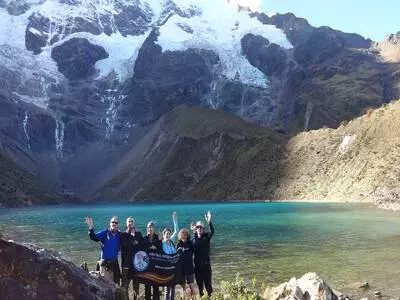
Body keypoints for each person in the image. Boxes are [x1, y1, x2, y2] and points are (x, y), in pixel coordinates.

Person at [85, 215, 121, 284]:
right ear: (110, 223)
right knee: (105, 284)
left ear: (118, 225)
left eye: (116, 223)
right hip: (105, 264)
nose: (114, 224)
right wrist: (90, 228)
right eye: (112, 222)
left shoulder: (119, 235)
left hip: (114, 264)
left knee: (116, 284)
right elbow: (94, 237)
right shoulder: (105, 233)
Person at [192, 211, 214, 297]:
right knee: (200, 287)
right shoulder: (193, 240)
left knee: (208, 287)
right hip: (197, 267)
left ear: (203, 229)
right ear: (196, 229)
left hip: (206, 266)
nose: (199, 229)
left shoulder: (206, 237)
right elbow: (186, 246)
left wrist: (209, 221)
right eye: (198, 227)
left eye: (201, 227)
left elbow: (212, 231)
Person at [121, 217, 143, 300]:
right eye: (129, 222)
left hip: (136, 265)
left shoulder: (139, 234)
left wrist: (136, 242)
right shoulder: (123, 235)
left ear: (134, 223)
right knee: (125, 285)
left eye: (132, 222)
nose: (130, 223)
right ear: (126, 224)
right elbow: (125, 245)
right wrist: (133, 238)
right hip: (126, 265)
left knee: (136, 285)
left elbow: (142, 246)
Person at [161, 212, 179, 300]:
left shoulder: (171, 241)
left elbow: (177, 231)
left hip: (173, 268)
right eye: (166, 234)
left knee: (173, 288)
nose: (168, 235)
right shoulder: (161, 244)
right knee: (167, 289)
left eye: (169, 234)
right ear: (163, 235)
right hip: (166, 269)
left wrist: (174, 220)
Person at [177, 228, 197, 300]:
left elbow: (195, 250)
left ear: (187, 236)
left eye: (185, 235)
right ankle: (184, 298)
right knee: (183, 286)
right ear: (180, 236)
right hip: (181, 269)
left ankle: (193, 298)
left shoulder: (190, 243)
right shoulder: (179, 244)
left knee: (191, 285)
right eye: (182, 235)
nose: (184, 236)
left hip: (190, 268)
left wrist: (194, 232)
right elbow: (176, 256)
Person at [144, 220, 162, 300]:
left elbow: (161, 250)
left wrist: (157, 247)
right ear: (147, 229)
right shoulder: (144, 238)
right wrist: (149, 247)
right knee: (147, 286)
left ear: (153, 228)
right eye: (149, 227)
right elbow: (141, 249)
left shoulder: (157, 238)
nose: (150, 228)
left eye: (151, 227)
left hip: (155, 265)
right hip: (147, 265)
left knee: (156, 285)